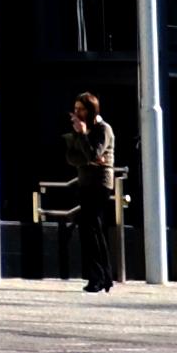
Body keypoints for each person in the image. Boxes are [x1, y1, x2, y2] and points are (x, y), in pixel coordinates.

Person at [60, 90, 127, 292]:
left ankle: (102, 276)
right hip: (85, 182)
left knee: (94, 229)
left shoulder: (102, 129)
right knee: (89, 230)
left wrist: (83, 137)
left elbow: (92, 153)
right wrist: (88, 152)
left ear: (89, 110)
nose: (76, 113)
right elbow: (72, 157)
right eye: (75, 109)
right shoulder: (83, 131)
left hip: (99, 184)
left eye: (80, 109)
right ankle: (99, 276)